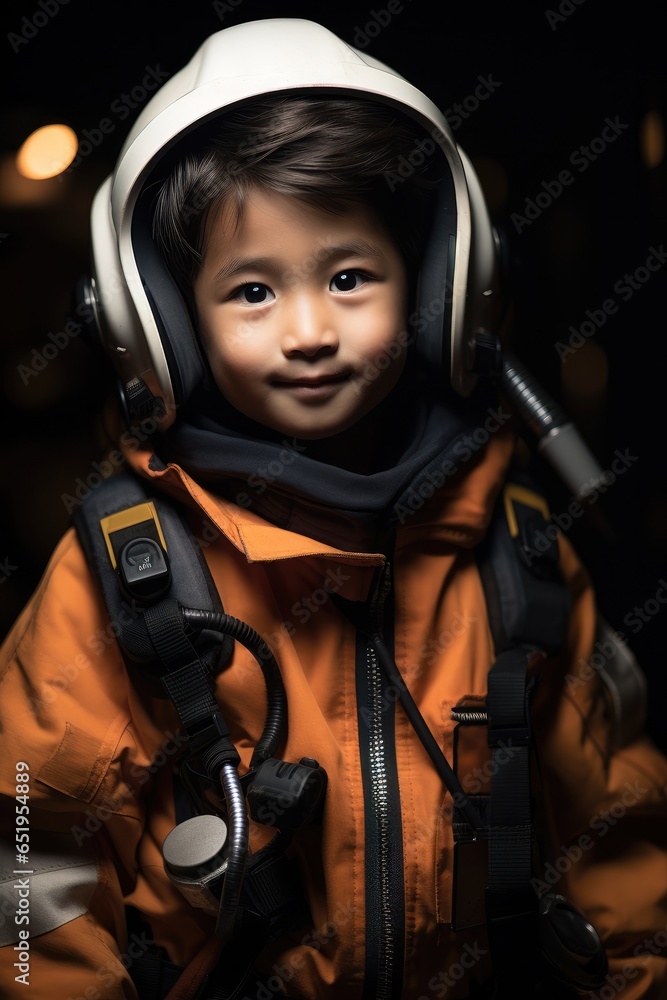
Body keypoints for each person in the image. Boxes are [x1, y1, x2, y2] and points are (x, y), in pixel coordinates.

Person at [1, 16, 666, 1000]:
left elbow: (618, 826)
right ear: (161, 328)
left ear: (444, 285)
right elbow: (35, 863)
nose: (310, 330)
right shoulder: (122, 578)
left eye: (349, 277)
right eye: (253, 290)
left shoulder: (518, 556)